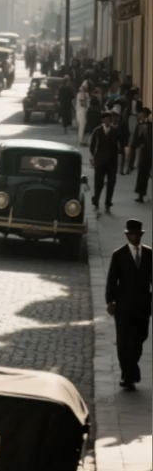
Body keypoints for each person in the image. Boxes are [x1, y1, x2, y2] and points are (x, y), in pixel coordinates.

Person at [105, 219, 152, 390]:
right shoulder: (119, 255)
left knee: (140, 338)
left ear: (140, 235)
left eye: (137, 234)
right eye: (132, 234)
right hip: (123, 306)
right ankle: (128, 375)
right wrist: (110, 301)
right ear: (127, 235)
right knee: (124, 341)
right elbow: (112, 279)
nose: (135, 237)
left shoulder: (149, 254)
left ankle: (131, 370)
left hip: (143, 306)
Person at [90, 110, 124, 212]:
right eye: (105, 119)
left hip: (111, 161)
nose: (107, 121)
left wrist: (120, 152)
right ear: (103, 120)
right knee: (98, 182)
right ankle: (96, 199)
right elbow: (92, 145)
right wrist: (94, 156)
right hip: (100, 161)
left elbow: (120, 143)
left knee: (111, 182)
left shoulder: (114, 131)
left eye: (109, 119)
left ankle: (108, 201)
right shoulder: (97, 130)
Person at [133, 108, 152, 203]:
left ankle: (142, 193)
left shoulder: (150, 125)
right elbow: (136, 138)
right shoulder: (139, 124)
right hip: (142, 152)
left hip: (149, 152)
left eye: (144, 113)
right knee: (142, 173)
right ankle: (140, 194)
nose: (142, 115)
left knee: (146, 173)